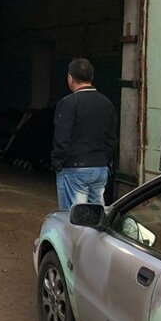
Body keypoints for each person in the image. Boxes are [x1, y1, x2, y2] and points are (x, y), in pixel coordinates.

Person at [51, 58, 117, 210]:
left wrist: (58, 161)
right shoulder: (107, 103)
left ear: (70, 78)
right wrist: (103, 160)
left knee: (74, 217)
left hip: (74, 167)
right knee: (95, 216)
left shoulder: (68, 103)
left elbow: (62, 137)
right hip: (99, 168)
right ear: (91, 78)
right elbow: (112, 138)